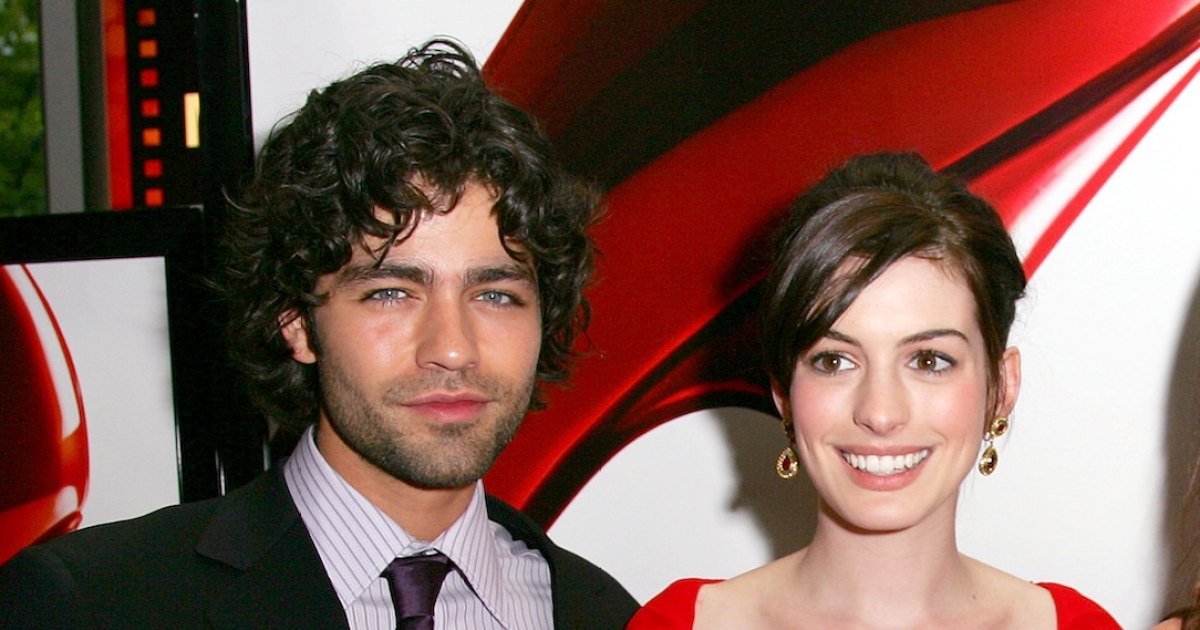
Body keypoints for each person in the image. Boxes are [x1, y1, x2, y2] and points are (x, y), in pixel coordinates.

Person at [0, 39, 637, 628]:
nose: (452, 348)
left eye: (495, 295)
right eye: (392, 293)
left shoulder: (604, 615)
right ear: (297, 320)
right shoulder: (92, 604)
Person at [627, 152, 1120, 629]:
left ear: (1002, 387)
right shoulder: (683, 625)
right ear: (783, 392)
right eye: (834, 361)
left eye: (928, 361)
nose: (880, 413)